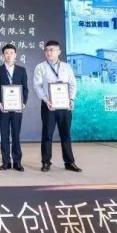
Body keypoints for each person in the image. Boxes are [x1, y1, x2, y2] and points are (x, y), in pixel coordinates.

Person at [32, 40, 81, 173]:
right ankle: (46, 162)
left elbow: (73, 84)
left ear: (59, 51)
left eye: (52, 50)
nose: (49, 52)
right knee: (47, 134)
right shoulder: (40, 67)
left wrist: (71, 99)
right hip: (49, 106)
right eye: (47, 50)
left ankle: (69, 162)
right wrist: (45, 99)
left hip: (65, 106)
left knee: (66, 134)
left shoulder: (66, 67)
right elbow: (37, 86)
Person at [0, 43, 29, 171]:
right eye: (6, 53)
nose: (9, 55)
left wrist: (23, 103)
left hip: (17, 107)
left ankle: (17, 162)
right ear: (3, 55)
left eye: (11, 53)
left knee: (16, 134)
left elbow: (25, 88)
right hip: (3, 108)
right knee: (4, 134)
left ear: (15, 55)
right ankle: (5, 162)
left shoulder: (21, 70)